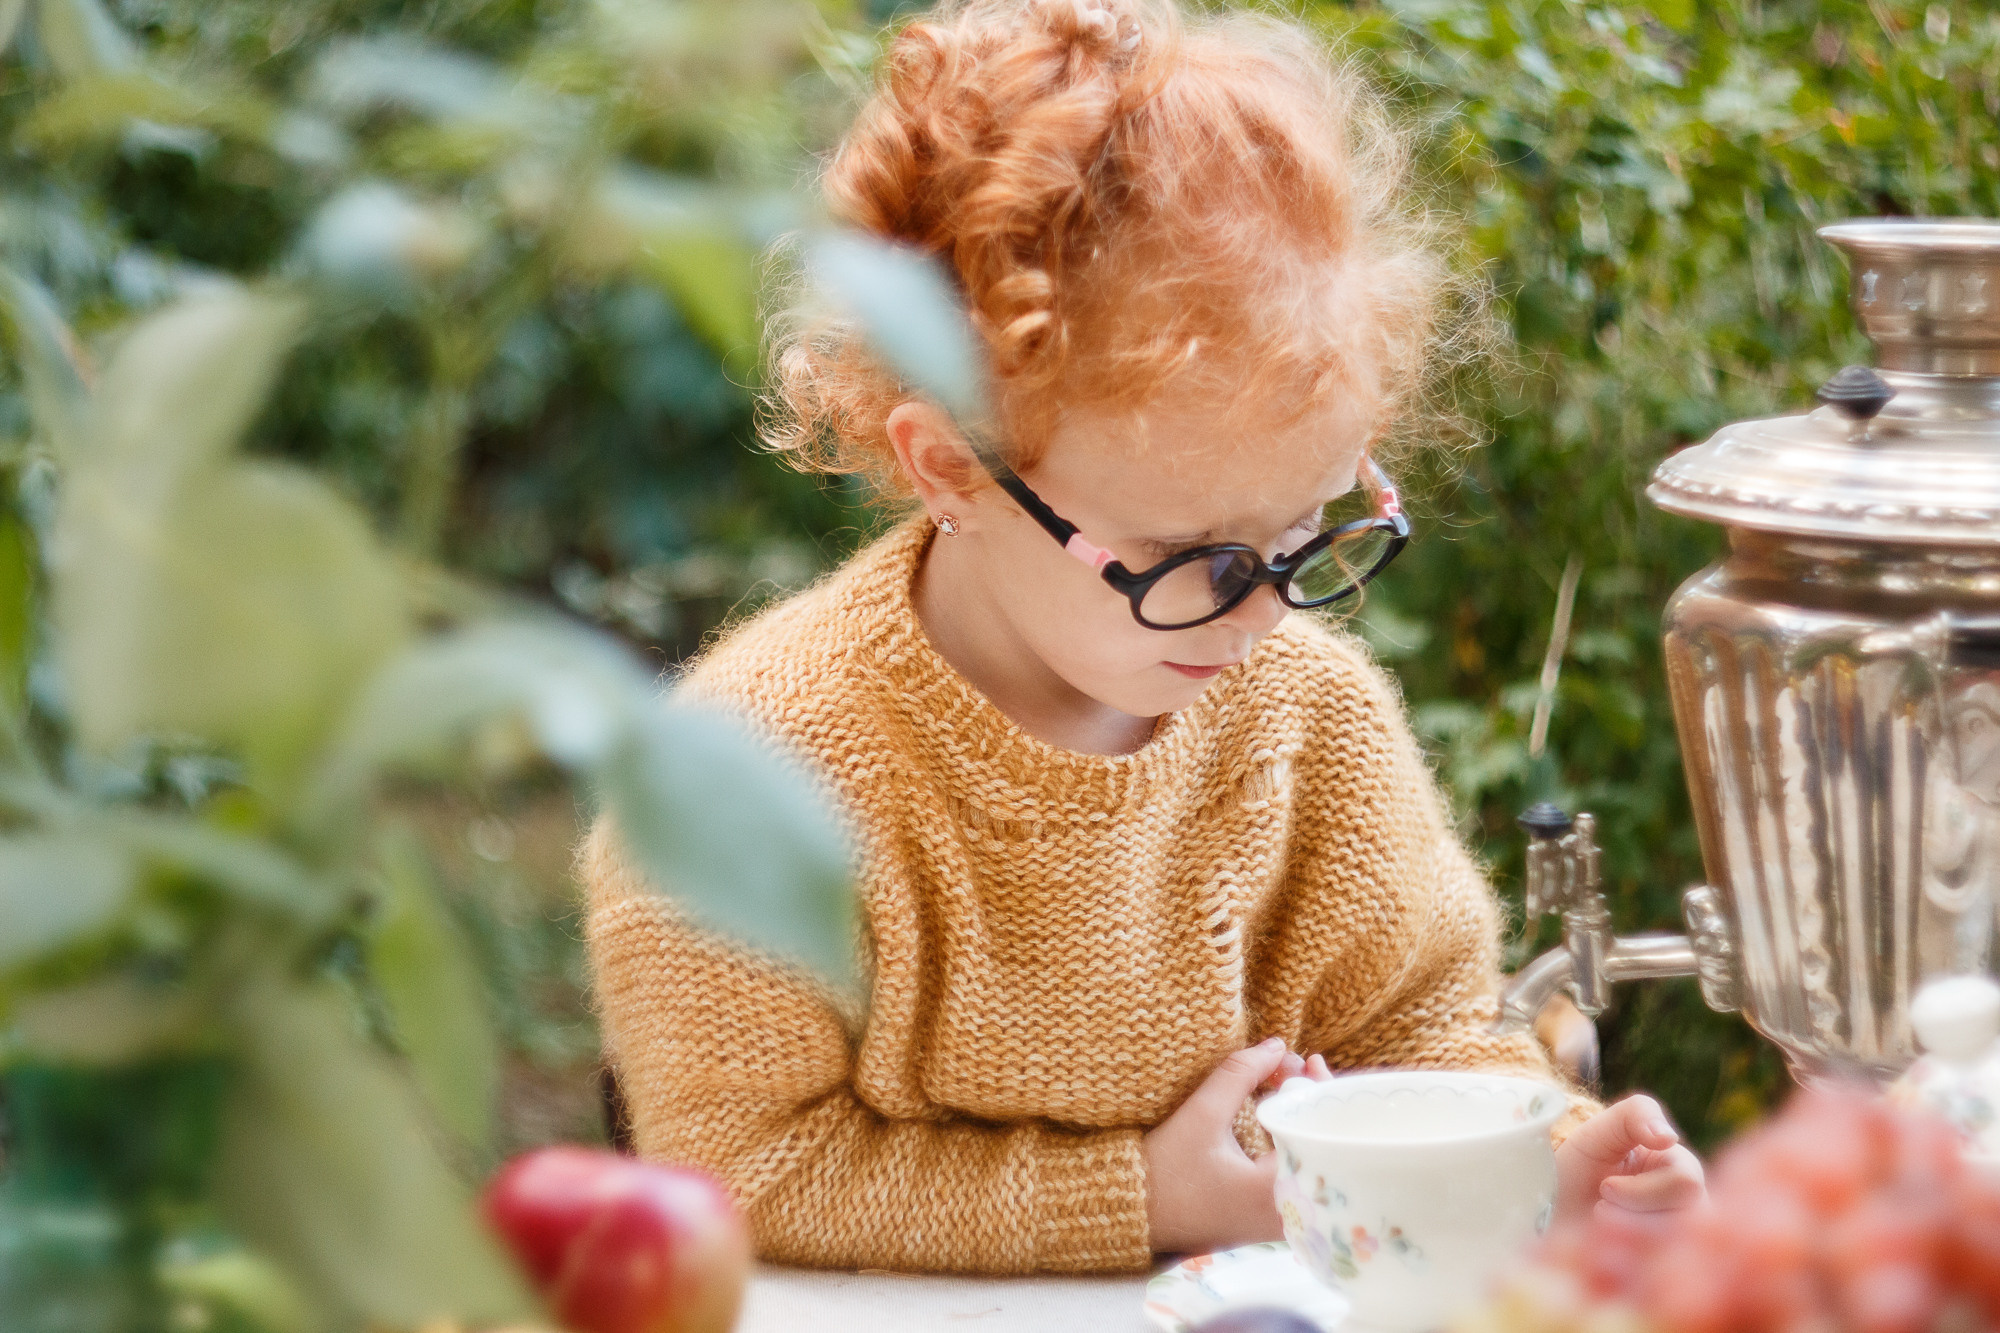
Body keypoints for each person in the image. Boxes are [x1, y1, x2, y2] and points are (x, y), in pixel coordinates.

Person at [584, 0, 1704, 1274]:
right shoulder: (751, 770)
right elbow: (741, 1169)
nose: (1262, 609)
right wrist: (1140, 1195)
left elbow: (1429, 1032)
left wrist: (1538, 1156)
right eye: (1190, 560)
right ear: (950, 467)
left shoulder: (1306, 721)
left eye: (1304, 532)